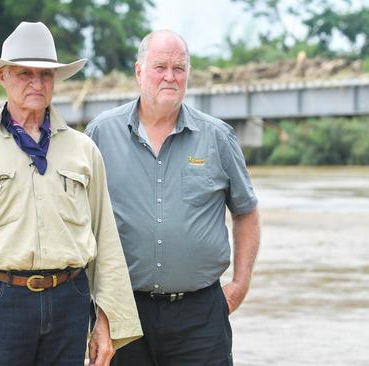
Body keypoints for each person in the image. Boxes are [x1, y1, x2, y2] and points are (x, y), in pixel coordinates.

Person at [0, 21, 141, 366]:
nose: (36, 83)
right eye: (25, 73)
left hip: (70, 299)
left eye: (45, 75)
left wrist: (108, 320)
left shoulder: (84, 150)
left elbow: (106, 238)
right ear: (2, 75)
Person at [85, 29, 260, 366]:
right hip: (123, 313)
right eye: (160, 67)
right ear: (139, 72)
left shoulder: (218, 137)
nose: (170, 76)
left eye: (179, 68)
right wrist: (97, 311)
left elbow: (246, 212)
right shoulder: (100, 134)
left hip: (201, 315)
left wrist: (239, 284)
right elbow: (83, 223)